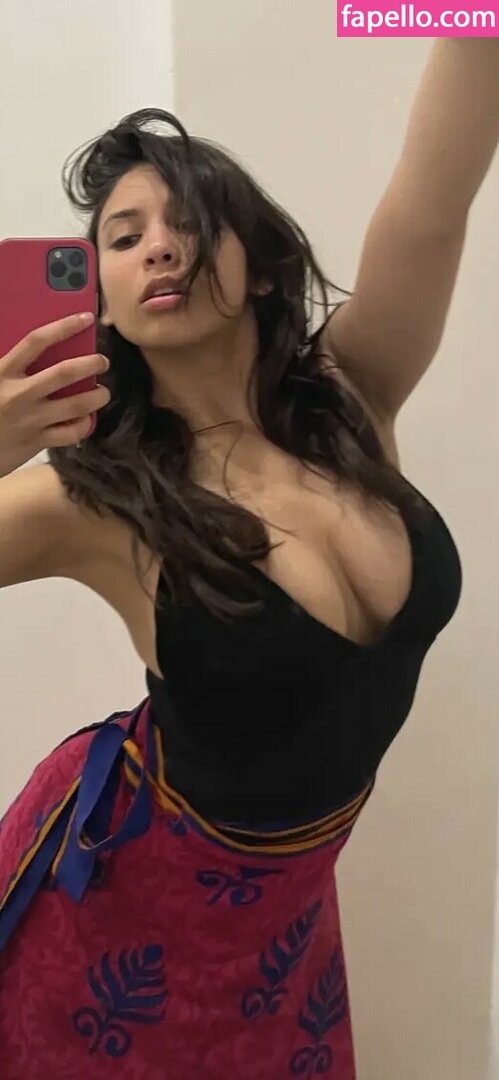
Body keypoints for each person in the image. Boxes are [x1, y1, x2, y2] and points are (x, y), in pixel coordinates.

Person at [0, 38, 497, 1080]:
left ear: (262, 264)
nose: (159, 247)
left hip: (282, 928)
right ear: (102, 303)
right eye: (124, 237)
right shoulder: (94, 498)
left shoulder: (352, 395)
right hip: (115, 920)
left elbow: (433, 196)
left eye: (190, 219)